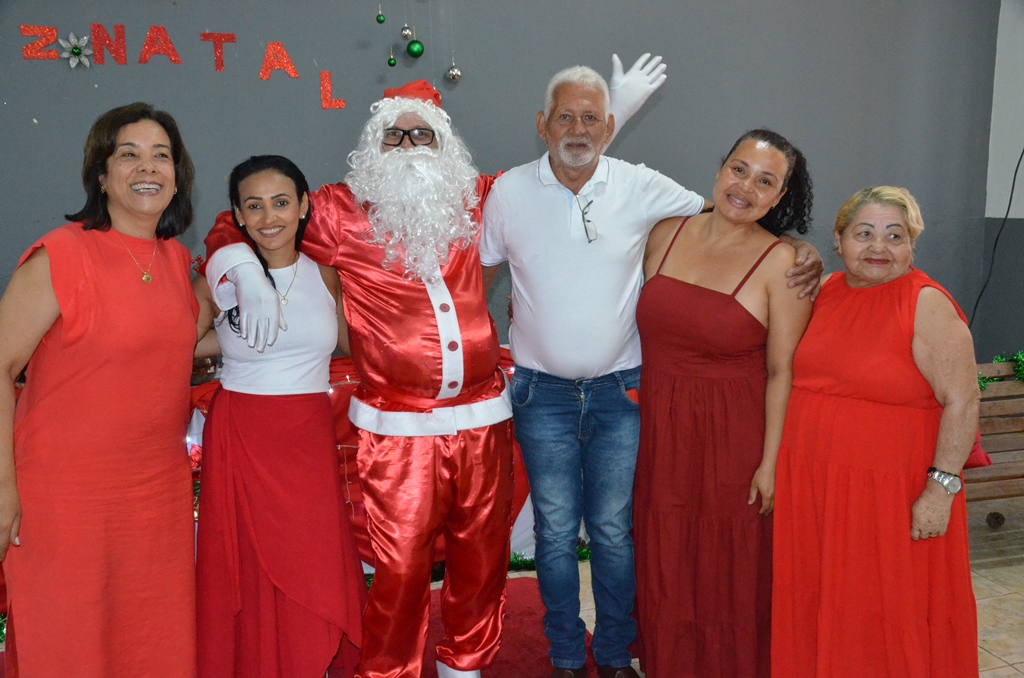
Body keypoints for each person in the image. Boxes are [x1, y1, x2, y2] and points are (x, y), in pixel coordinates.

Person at [202, 58, 667, 678]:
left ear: (445, 144)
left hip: (482, 419)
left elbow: (557, 168)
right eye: (395, 134)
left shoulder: (479, 200)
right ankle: (391, 669)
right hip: (397, 430)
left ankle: (463, 665)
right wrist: (239, 266)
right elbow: (245, 217)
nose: (410, 146)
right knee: (399, 563)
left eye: (423, 134)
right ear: (374, 145)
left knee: (481, 555)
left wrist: (615, 114)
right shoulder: (338, 212)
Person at [479, 68, 822, 678]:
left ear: (610, 128)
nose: (578, 129)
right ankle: (566, 656)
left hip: (629, 397)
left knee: (615, 532)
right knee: (557, 534)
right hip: (556, 395)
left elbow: (733, 228)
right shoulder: (513, 193)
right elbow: (476, 280)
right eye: (565, 116)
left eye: (591, 118)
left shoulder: (645, 191)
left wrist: (802, 247)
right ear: (542, 125)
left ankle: (616, 656)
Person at [0, 102, 198, 676]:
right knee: (69, 648)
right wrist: (3, 487)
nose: (148, 167)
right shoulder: (60, 254)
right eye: (128, 154)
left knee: (151, 647)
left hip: (155, 499)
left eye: (162, 156)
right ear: (102, 175)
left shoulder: (175, 259)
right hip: (66, 499)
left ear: (177, 177)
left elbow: (171, 344)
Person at [772, 186, 980, 676]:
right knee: (822, 601)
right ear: (838, 240)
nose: (878, 247)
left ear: (912, 245)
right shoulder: (825, 292)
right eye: (864, 234)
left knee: (890, 607)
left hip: (889, 494)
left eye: (895, 235)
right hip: (815, 487)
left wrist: (940, 490)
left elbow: (964, 400)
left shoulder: (925, 303)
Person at [633, 129, 813, 677]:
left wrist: (770, 463)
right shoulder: (664, 233)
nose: (746, 188)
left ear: (779, 198)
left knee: (725, 566)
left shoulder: (783, 264)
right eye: (739, 170)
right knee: (666, 555)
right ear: (719, 169)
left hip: (734, 440)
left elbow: (783, 372)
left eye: (765, 182)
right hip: (660, 430)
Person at [192, 155, 365, 677]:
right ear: (238, 215)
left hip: (308, 437)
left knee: (312, 555)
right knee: (248, 563)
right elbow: (178, 345)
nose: (269, 217)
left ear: (304, 205)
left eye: (281, 202)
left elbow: (359, 347)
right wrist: (230, 334)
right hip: (243, 433)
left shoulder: (327, 273)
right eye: (254, 205)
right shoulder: (220, 280)